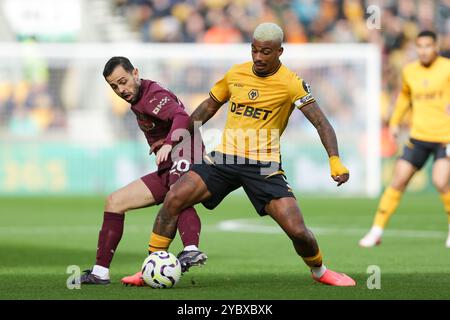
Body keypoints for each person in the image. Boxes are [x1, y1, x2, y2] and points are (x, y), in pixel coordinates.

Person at [143, 22, 356, 286]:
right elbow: (207, 108)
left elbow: (322, 123)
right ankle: (150, 268)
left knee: (298, 231)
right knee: (174, 198)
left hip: (264, 165)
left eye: (265, 52)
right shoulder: (235, 74)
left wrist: (334, 160)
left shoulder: (292, 84)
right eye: (254, 50)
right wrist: (175, 140)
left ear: (280, 51)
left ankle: (320, 272)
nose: (258, 57)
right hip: (225, 157)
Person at [78, 57, 207, 285]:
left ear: (135, 72)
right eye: (114, 86)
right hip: (169, 164)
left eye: (123, 81)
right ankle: (100, 272)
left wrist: (168, 143)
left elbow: (182, 117)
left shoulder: (152, 96)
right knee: (115, 202)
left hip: (187, 151)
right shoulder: (138, 99)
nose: (121, 90)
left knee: (178, 195)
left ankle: (191, 249)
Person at [359, 30, 450, 248]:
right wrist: (394, 122)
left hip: (445, 137)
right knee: (398, 180)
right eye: (420, 46)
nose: (424, 50)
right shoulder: (410, 71)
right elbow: (404, 98)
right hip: (418, 136)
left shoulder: (447, 68)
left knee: (440, 182)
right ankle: (376, 230)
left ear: (435, 47)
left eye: (428, 46)